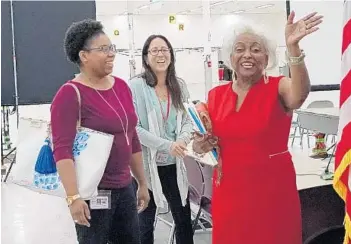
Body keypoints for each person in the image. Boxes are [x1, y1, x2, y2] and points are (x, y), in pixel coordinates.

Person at [192, 11, 323, 244]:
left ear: (266, 56)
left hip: (271, 192)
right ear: (230, 56)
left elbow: (299, 95)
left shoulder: (278, 87)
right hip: (229, 192)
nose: (247, 55)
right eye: (240, 49)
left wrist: (293, 49)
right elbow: (202, 143)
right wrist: (201, 144)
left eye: (255, 48)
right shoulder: (215, 96)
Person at [51, 19, 150, 244]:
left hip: (125, 188)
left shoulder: (122, 87)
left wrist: (142, 183)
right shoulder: (70, 94)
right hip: (92, 193)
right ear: (83, 55)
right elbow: (62, 150)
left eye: (111, 48)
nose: (111, 54)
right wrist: (73, 198)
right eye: (103, 49)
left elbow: (131, 137)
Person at [128, 34, 194, 244]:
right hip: (145, 167)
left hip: (174, 165)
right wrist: (168, 145)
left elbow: (188, 119)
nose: (160, 54)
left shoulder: (179, 85)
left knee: (183, 219)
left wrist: (182, 140)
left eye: (164, 50)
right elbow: (134, 128)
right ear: (146, 58)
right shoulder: (136, 86)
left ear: (171, 55)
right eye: (154, 51)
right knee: (144, 223)